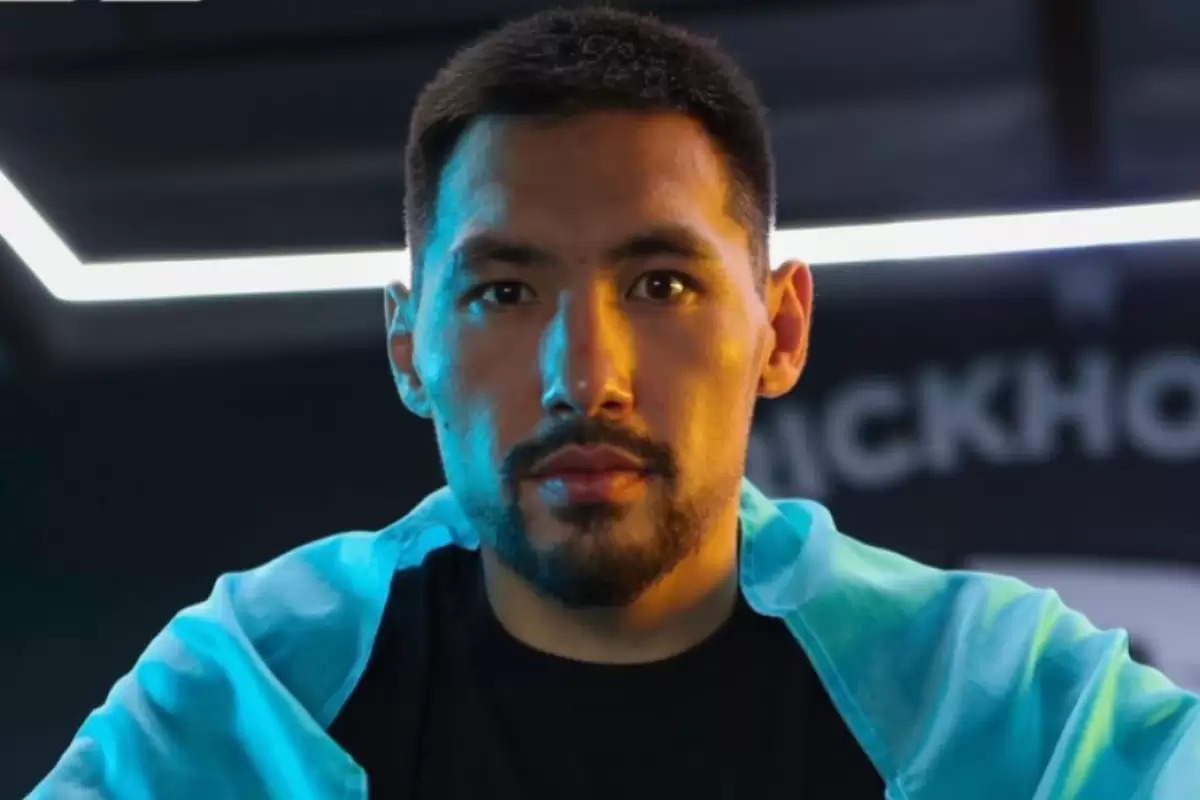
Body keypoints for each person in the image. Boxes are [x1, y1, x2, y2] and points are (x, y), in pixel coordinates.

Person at [33, 8, 1198, 800]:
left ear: (780, 329)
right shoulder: (257, 687)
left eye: (661, 284)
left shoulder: (989, 692)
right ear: (407, 345)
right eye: (504, 291)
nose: (585, 376)